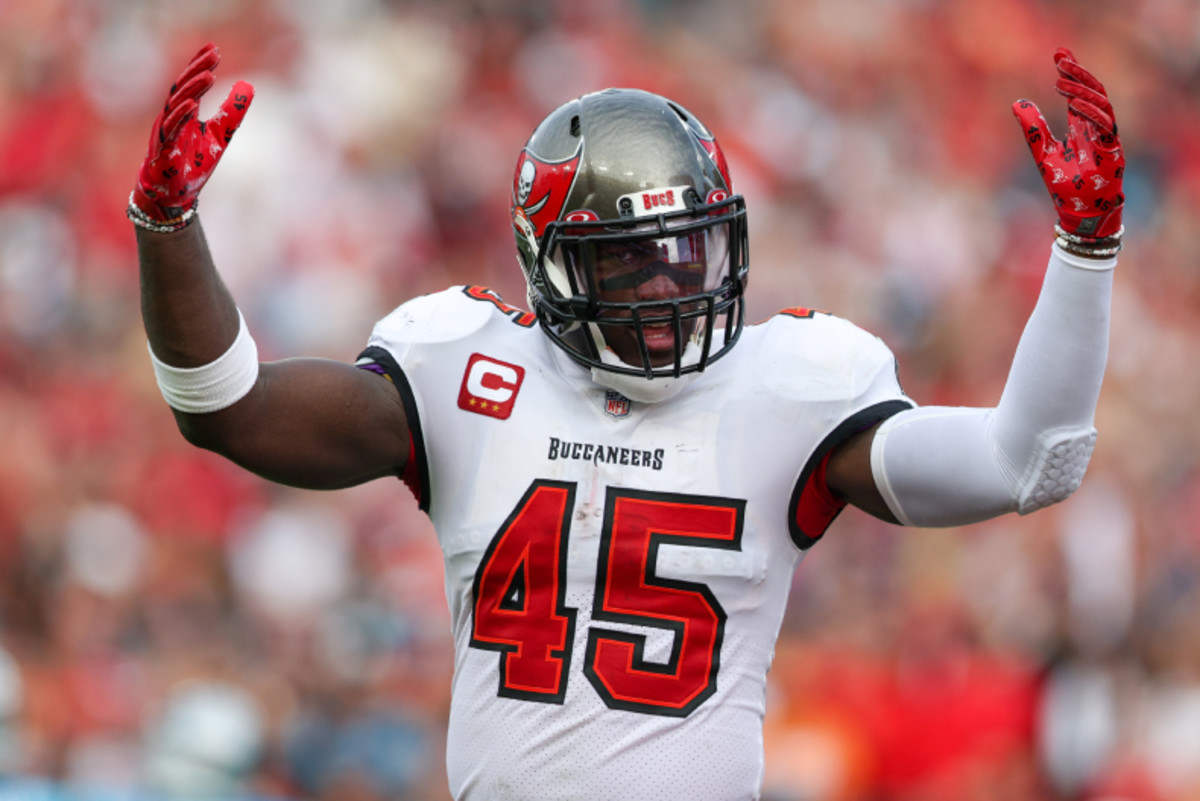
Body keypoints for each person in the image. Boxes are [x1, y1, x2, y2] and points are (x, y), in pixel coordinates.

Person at [129, 42, 1124, 801]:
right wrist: (168, 232)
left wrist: (1085, 255)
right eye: (629, 261)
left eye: (687, 252)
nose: (668, 286)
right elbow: (226, 407)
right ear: (551, 261)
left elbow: (1027, 461)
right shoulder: (466, 369)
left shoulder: (791, 387)